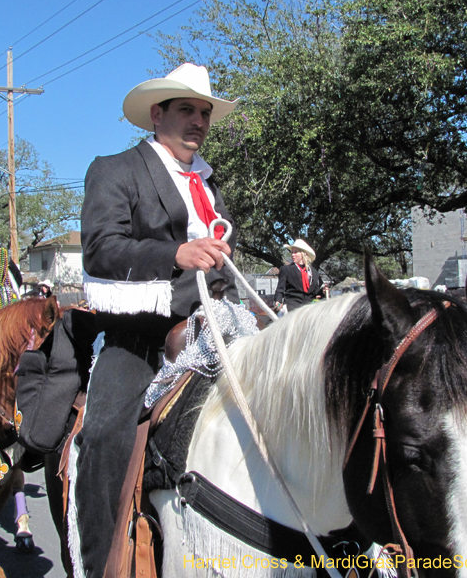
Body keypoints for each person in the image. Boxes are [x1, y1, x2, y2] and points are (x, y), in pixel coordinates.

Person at [75, 62, 238, 577]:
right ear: (156, 116)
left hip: (210, 324)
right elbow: (101, 249)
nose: (198, 121)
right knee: (104, 435)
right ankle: (103, 562)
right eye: (186, 110)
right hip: (140, 332)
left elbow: (220, 265)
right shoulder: (116, 168)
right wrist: (176, 253)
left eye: (204, 112)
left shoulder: (207, 185)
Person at [273, 238, 327, 314]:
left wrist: (323, 292)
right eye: (292, 252)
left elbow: (316, 292)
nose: (292, 254)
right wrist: (278, 301)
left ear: (304, 254)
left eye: (295, 252)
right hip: (292, 308)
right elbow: (280, 289)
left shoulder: (313, 272)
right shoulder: (286, 269)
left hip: (309, 309)